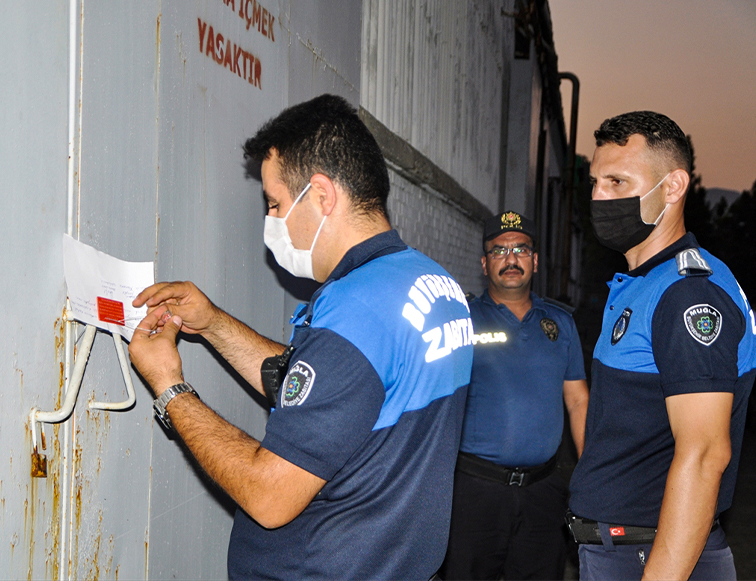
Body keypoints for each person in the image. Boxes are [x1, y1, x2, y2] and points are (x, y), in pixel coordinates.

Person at [127, 94, 474, 580]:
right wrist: (212, 323)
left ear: (322, 195)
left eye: (275, 203)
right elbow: (331, 390)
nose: (270, 220)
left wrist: (169, 386)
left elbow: (270, 496)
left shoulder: (355, 312)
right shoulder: (428, 281)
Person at [567, 111, 756, 580]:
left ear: (672, 188)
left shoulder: (689, 294)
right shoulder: (645, 283)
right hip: (623, 550)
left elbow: (705, 453)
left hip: (654, 557)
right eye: (595, 182)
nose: (598, 196)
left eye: (616, 181)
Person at [439, 210, 589, 580]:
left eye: (521, 249)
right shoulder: (461, 320)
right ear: (484, 262)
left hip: (543, 492)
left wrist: (588, 477)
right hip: (475, 493)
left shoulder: (561, 324)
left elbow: (578, 401)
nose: (510, 259)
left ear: (535, 261)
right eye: (499, 250)